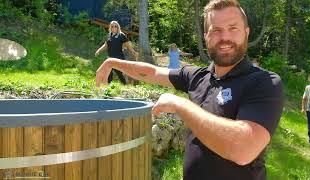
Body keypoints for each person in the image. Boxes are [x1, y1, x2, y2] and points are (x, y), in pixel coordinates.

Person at [96, 0, 283, 179]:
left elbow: (243, 149)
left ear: (246, 32)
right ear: (206, 37)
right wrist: (113, 62)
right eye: (216, 30)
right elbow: (151, 72)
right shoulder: (197, 76)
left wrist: (181, 105)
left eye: (233, 28)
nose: (225, 37)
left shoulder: (264, 82)